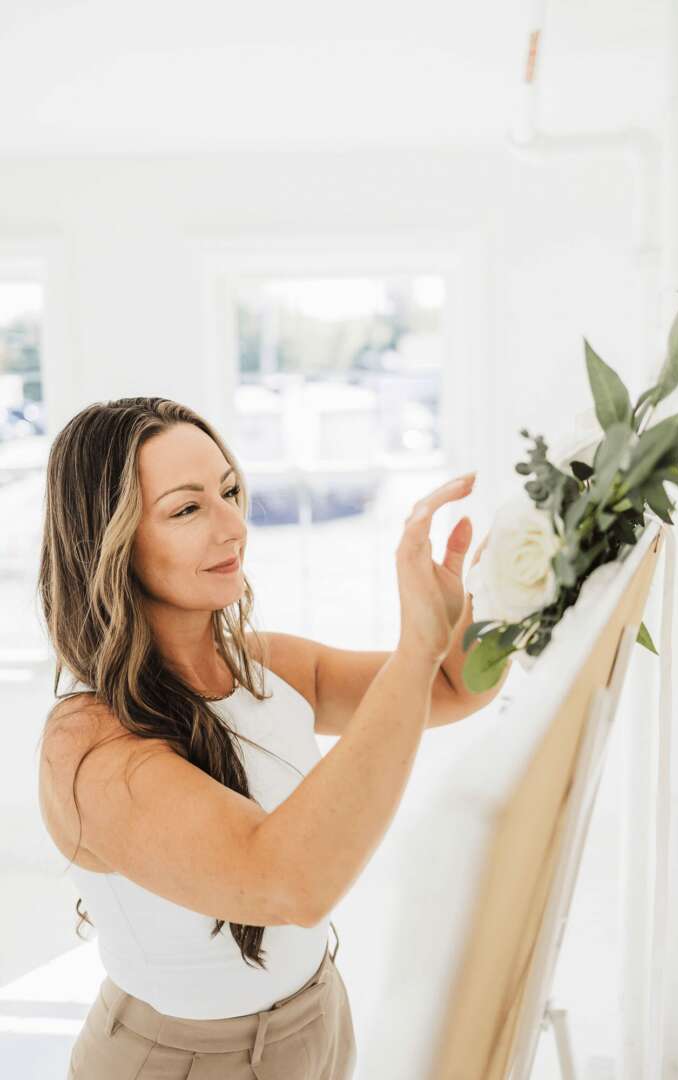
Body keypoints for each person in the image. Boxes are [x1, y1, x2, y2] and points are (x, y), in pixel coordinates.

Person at [36, 396, 480, 1079]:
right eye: (188, 509)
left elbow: (452, 687)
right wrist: (416, 649)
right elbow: (290, 884)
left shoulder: (266, 664)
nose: (233, 526)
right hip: (181, 1061)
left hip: (317, 1015)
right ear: (110, 541)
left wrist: (473, 604)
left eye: (230, 492)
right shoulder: (87, 745)